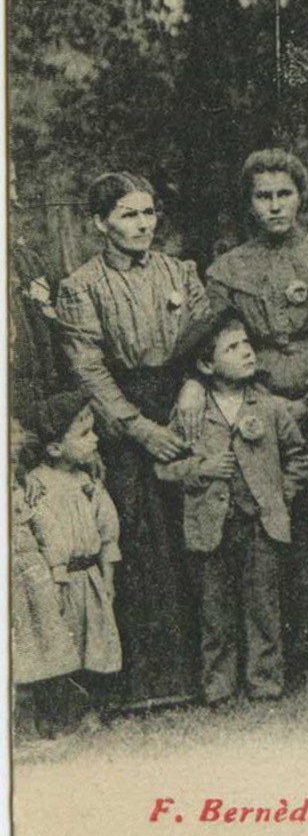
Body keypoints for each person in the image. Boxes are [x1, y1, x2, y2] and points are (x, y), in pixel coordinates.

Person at [50, 172, 205, 710]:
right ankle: (148, 682)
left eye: (148, 213)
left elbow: (202, 335)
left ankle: (211, 671)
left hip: (183, 403)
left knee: (197, 526)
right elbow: (89, 370)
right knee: (139, 537)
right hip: (123, 418)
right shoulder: (82, 286)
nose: (142, 225)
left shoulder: (178, 271)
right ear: (100, 224)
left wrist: (191, 385)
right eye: (127, 215)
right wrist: (140, 428)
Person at [206, 150, 308, 677]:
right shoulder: (228, 269)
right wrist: (267, 405)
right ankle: (273, 653)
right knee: (267, 525)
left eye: (284, 195)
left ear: (300, 197)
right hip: (259, 407)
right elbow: (216, 344)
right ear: (249, 204)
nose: (274, 207)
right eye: (263, 197)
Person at [158, 310, 308, 705]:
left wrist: (281, 496)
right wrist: (201, 469)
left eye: (247, 344)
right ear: (206, 364)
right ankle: (219, 686)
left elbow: (298, 456)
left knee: (264, 607)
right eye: (232, 347)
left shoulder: (270, 407)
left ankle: (265, 683)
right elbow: (165, 466)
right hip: (210, 527)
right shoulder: (191, 412)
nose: (246, 352)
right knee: (215, 612)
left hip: (261, 526)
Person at [18, 390, 123, 730]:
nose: (94, 440)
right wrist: (55, 577)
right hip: (59, 581)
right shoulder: (38, 485)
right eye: (83, 434)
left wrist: (108, 580)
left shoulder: (88, 483)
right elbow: (44, 535)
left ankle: (94, 710)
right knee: (65, 642)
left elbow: (107, 532)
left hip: (90, 577)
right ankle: (62, 716)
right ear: (54, 448)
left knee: (97, 642)